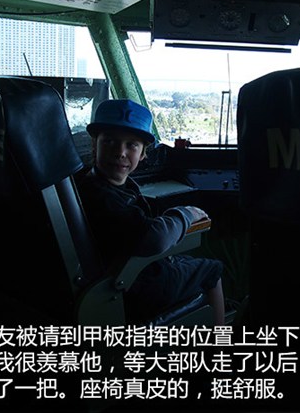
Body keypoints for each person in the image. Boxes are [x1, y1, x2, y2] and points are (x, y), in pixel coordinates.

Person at [74, 98, 225, 325]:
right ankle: (222, 341)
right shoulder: (103, 196)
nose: (120, 152)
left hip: (119, 271)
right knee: (212, 270)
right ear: (95, 145)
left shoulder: (88, 182)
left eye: (131, 145)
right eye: (110, 141)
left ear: (143, 154)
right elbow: (154, 238)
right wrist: (187, 214)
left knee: (184, 261)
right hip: (130, 284)